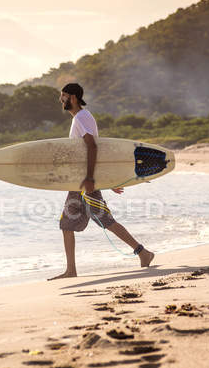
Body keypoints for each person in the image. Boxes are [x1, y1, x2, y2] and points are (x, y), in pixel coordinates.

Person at [48, 83, 155, 280]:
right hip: (79, 182)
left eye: (62, 96)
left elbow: (93, 147)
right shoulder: (80, 118)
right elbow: (89, 151)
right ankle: (71, 270)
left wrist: (91, 179)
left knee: (103, 220)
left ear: (72, 97)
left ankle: (143, 253)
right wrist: (108, 179)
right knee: (68, 225)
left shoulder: (82, 117)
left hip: (85, 183)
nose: (60, 100)